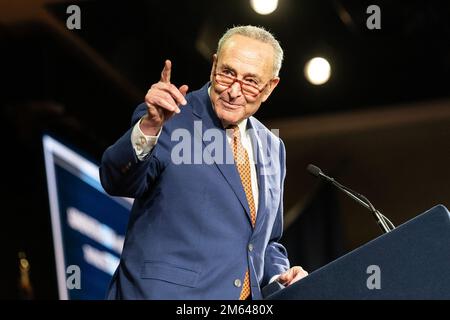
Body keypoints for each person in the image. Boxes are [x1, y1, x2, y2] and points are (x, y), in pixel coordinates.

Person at [100, 25, 308, 300]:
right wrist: (149, 127)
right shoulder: (171, 116)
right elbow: (117, 180)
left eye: (250, 81)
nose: (234, 90)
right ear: (213, 66)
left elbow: (266, 240)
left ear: (270, 87)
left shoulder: (272, 147)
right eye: (228, 73)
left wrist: (279, 274)